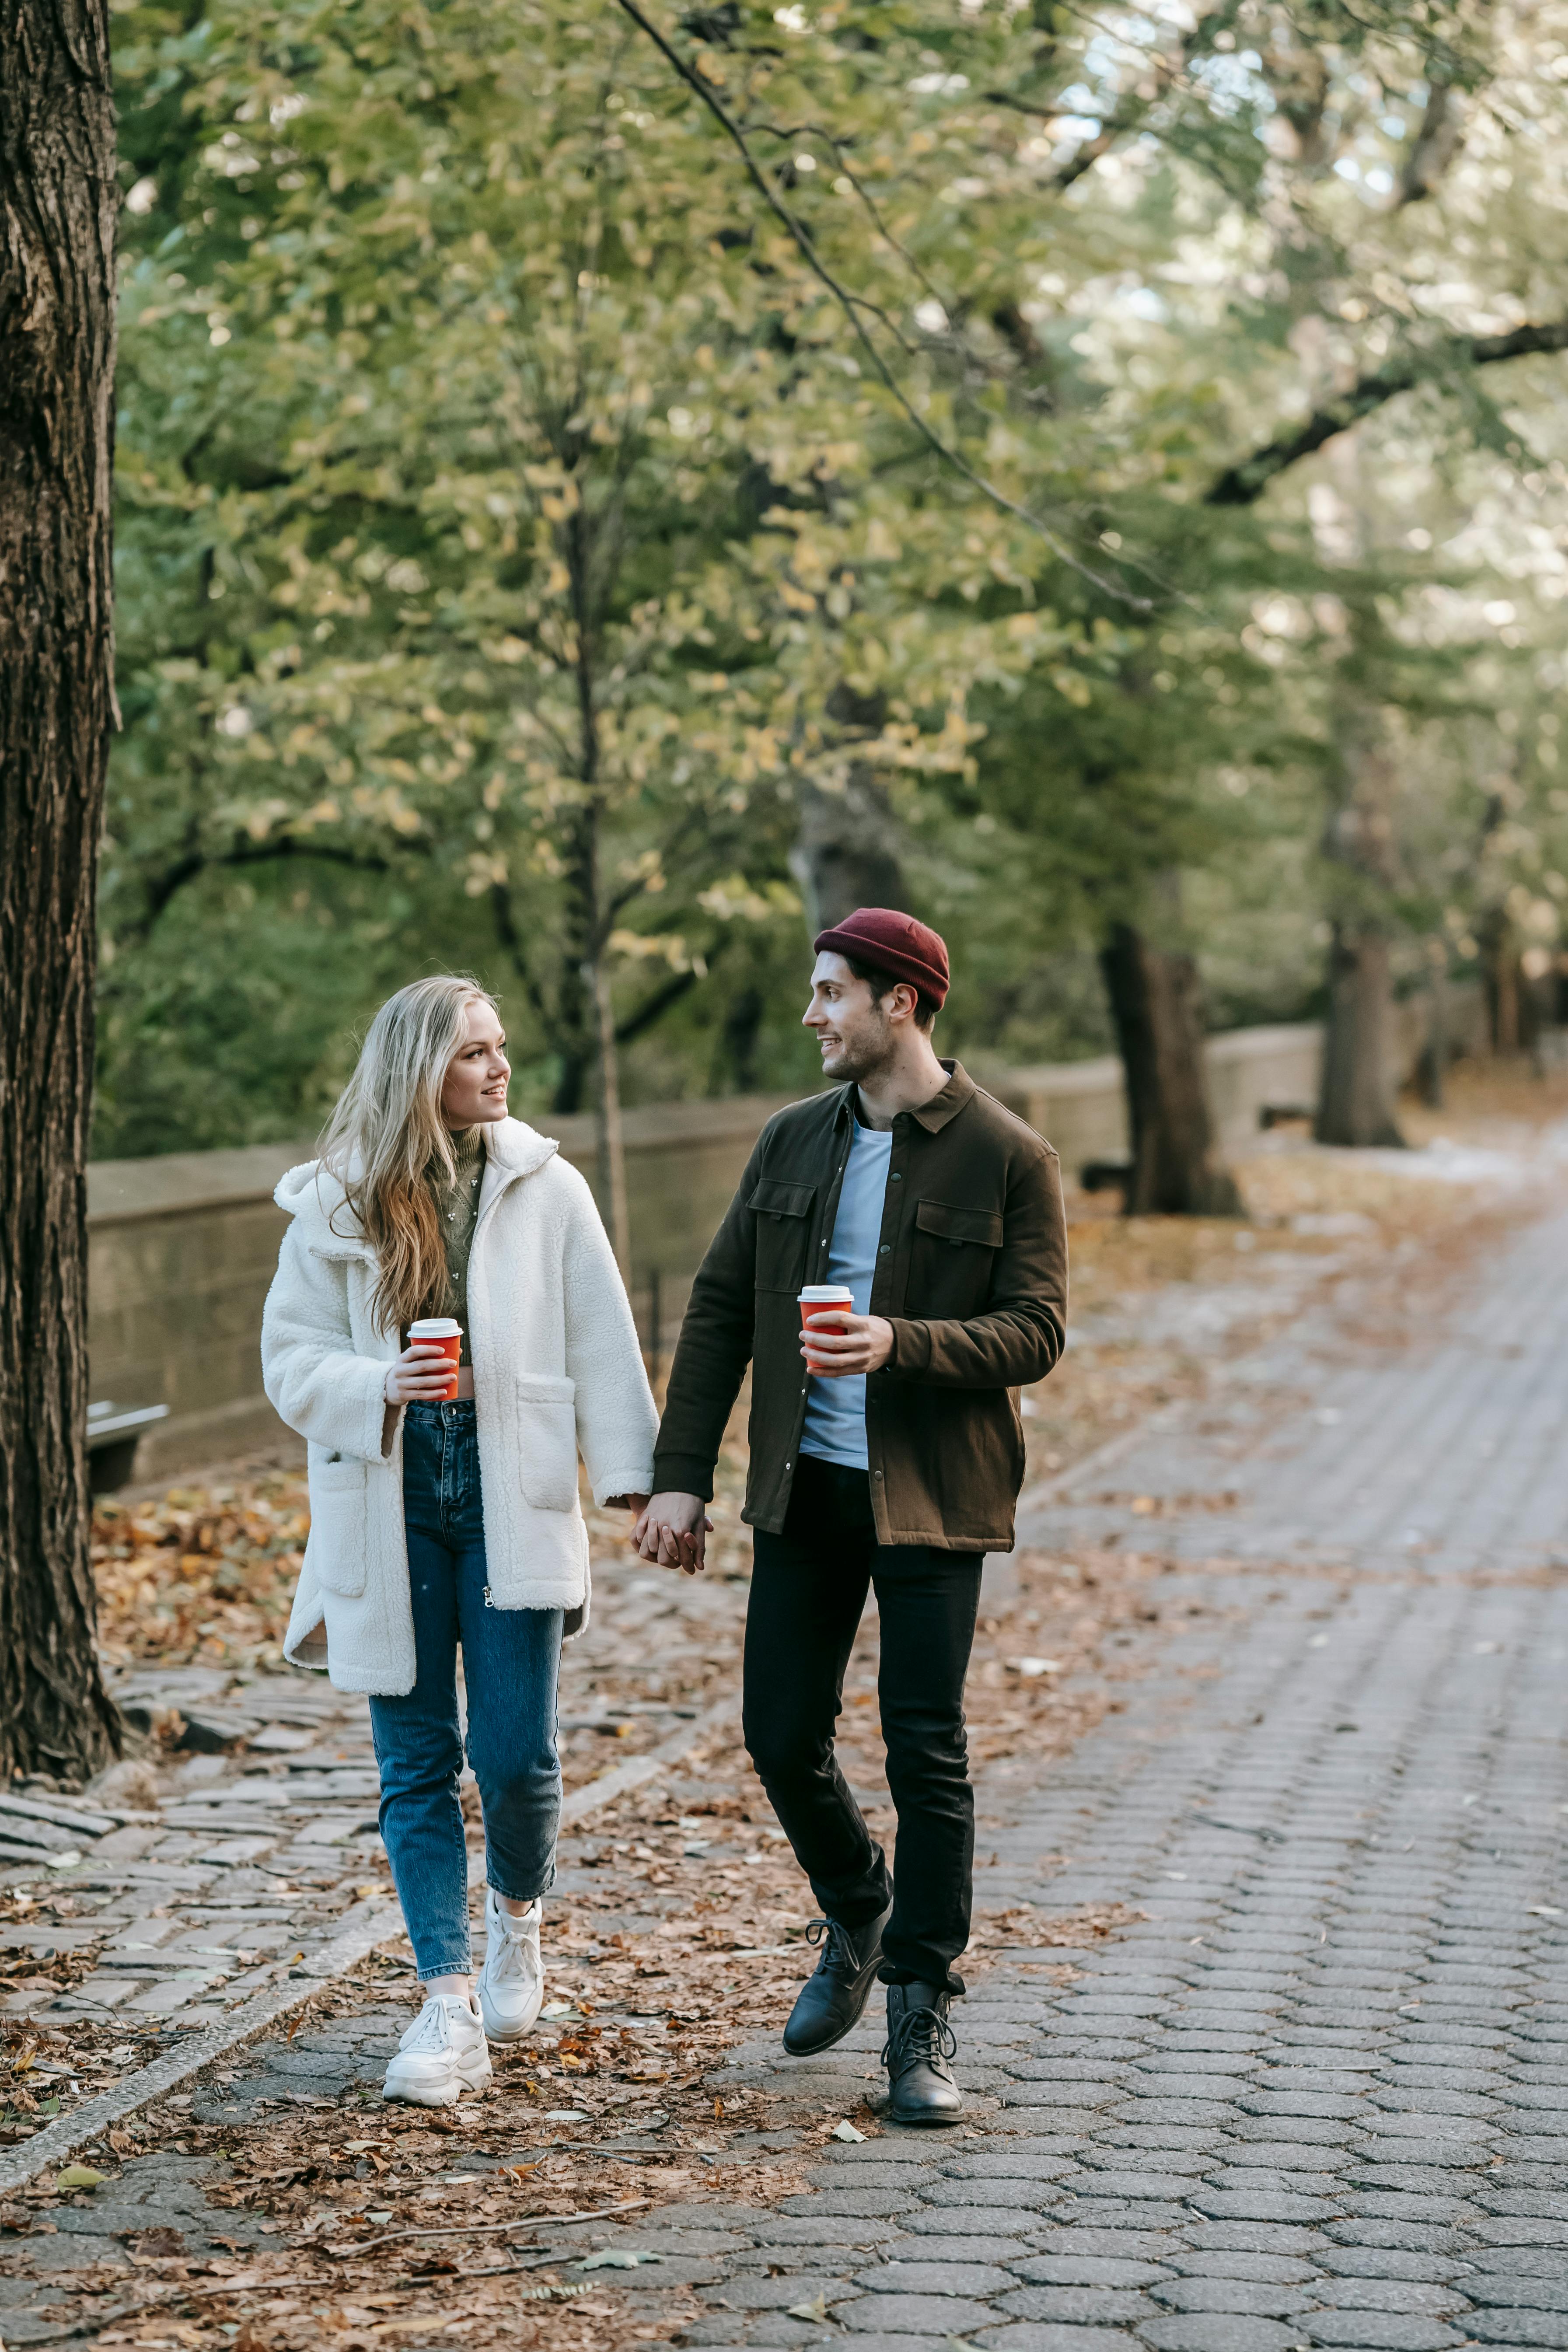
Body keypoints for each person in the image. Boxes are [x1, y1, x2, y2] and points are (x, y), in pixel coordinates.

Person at [635, 909, 1067, 2124]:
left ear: (903, 1004)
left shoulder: (1006, 1155)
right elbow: (720, 1308)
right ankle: (858, 1902)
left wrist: (898, 1343)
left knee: (923, 1746)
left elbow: (1036, 1330)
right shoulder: (788, 1143)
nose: (814, 1014)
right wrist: (682, 1473)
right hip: (805, 1491)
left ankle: (918, 2012)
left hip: (934, 1496)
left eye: (832, 993)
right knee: (778, 1730)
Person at [262, 976, 657, 2107]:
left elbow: (600, 1330)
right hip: (389, 1496)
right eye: (475, 1051)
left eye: (502, 1048)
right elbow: (287, 1361)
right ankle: (444, 1999)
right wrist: (381, 1381)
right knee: (415, 1760)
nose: (499, 1067)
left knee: (517, 1756)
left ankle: (518, 1924)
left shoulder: (546, 1187)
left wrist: (634, 1480)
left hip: (509, 1493)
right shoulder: (336, 1205)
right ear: (419, 1068)